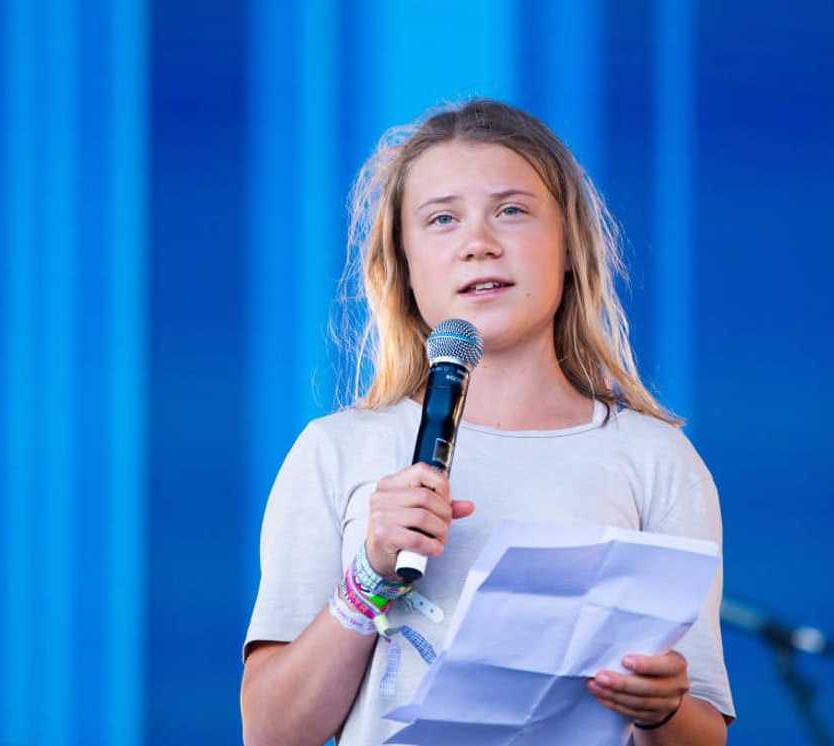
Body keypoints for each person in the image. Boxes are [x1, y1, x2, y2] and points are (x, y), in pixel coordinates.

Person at [240, 99, 735, 746]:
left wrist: (659, 707)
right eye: (442, 219)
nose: (479, 244)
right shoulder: (338, 451)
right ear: (407, 268)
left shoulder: (657, 459)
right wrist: (368, 577)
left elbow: (701, 733)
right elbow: (272, 732)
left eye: (512, 210)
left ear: (568, 247)